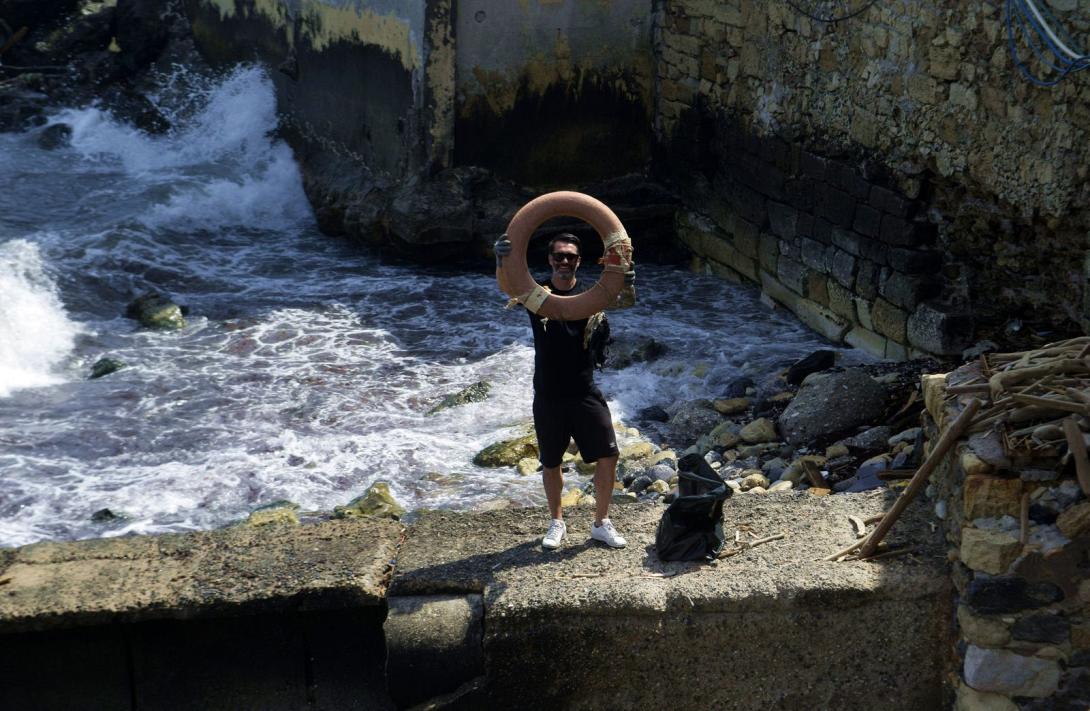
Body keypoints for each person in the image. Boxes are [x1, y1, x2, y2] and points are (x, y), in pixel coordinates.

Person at [495, 232, 632, 550]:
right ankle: (557, 522)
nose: (565, 262)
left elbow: (624, 301)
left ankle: (601, 523)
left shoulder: (591, 297)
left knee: (609, 455)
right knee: (551, 461)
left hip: (585, 391)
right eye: (559, 256)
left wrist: (628, 280)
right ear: (550, 260)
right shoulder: (536, 296)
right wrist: (500, 258)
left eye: (571, 256)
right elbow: (507, 286)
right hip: (548, 394)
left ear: (579, 261)